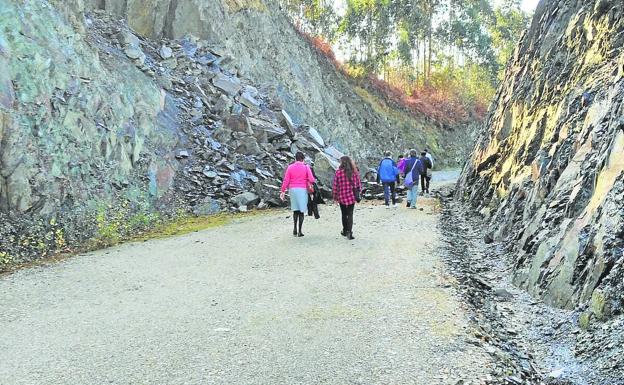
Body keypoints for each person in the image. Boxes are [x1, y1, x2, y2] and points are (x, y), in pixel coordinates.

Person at [280, 151, 315, 237]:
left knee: (295, 210)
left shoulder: (290, 167)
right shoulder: (306, 167)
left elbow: (286, 180)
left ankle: (294, 229)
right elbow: (312, 179)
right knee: (301, 211)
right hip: (302, 190)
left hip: (292, 190)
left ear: (295, 159)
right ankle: (300, 231)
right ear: (303, 159)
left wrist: (283, 191)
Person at [332, 156, 362, 240]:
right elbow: (359, 184)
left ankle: (345, 230)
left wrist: (335, 196)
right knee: (350, 214)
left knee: (344, 214)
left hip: (341, 196)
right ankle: (350, 232)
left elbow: (335, 185)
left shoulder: (338, 172)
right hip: (351, 196)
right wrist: (359, 192)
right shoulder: (354, 172)